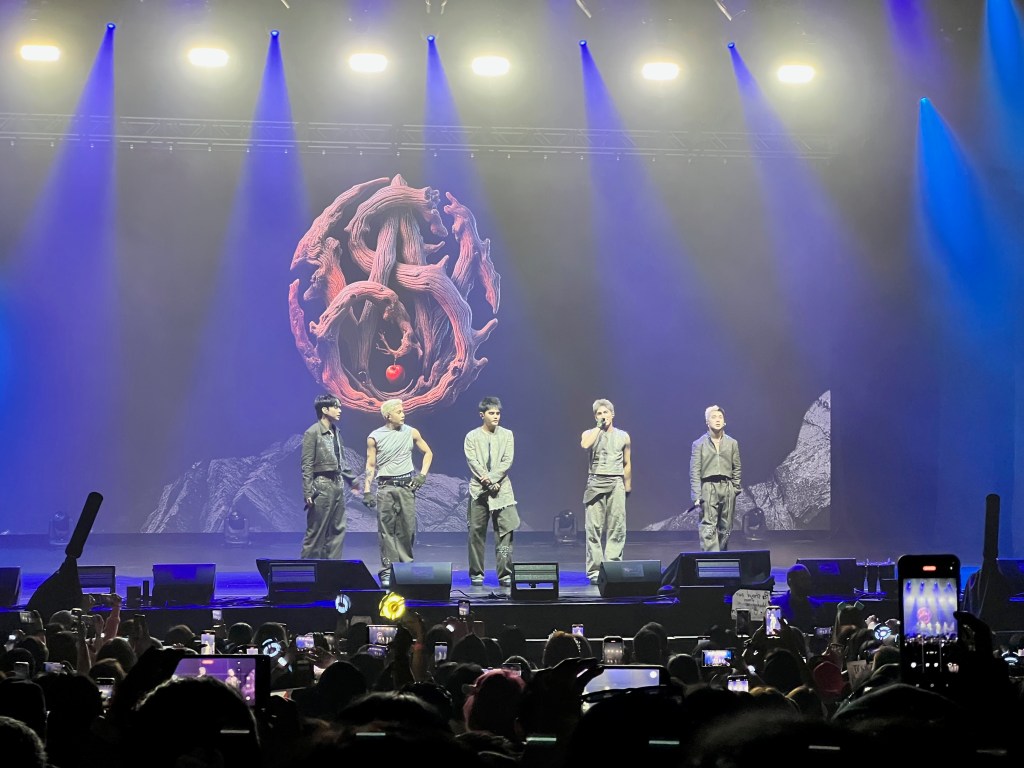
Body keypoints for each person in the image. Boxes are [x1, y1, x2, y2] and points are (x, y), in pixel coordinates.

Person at [364, 399, 433, 587]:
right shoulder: (374, 437)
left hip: (406, 487)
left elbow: (428, 452)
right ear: (388, 415)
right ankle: (387, 570)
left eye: (403, 411)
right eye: (399, 412)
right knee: (386, 531)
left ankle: (406, 568)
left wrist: (422, 475)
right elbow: (370, 464)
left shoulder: (411, 432)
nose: (403, 414)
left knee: (407, 529)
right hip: (386, 488)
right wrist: (367, 489)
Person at [464, 396, 521, 587]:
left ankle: (505, 574)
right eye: (491, 413)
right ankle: (476, 573)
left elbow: (507, 460)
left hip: (502, 491)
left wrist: (494, 480)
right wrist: (488, 482)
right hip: (479, 490)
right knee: (476, 533)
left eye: (498, 413)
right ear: (482, 415)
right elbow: (473, 461)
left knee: (505, 534)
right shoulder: (472, 436)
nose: (496, 416)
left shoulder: (507, 435)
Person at [300, 393, 358, 559]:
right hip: (322, 485)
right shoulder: (313, 432)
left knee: (337, 530)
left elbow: (341, 460)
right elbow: (307, 464)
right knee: (316, 532)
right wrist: (308, 491)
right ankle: (308, 570)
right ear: (325, 410)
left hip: (337, 484)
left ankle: (332, 569)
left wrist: (352, 480)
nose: (340, 410)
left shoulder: (336, 432)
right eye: (336, 407)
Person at [580, 399, 631, 585]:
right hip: (595, 481)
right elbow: (585, 445)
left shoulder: (623, 436)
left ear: (612, 414)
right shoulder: (589, 433)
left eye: (605, 412)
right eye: (599, 413)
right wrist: (598, 428)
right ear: (595, 417)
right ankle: (595, 571)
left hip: (616, 482)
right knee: (593, 528)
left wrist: (628, 485)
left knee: (617, 526)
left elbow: (627, 462)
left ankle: (612, 567)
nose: (603, 416)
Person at [690, 404, 742, 552]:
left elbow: (737, 467)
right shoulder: (699, 444)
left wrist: (735, 489)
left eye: (720, 417)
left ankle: (722, 555)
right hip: (708, 487)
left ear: (724, 421)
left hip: (727, 487)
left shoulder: (732, 443)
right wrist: (696, 495)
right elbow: (694, 471)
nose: (718, 420)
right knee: (708, 526)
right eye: (713, 417)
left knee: (726, 526)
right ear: (707, 422)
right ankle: (711, 559)